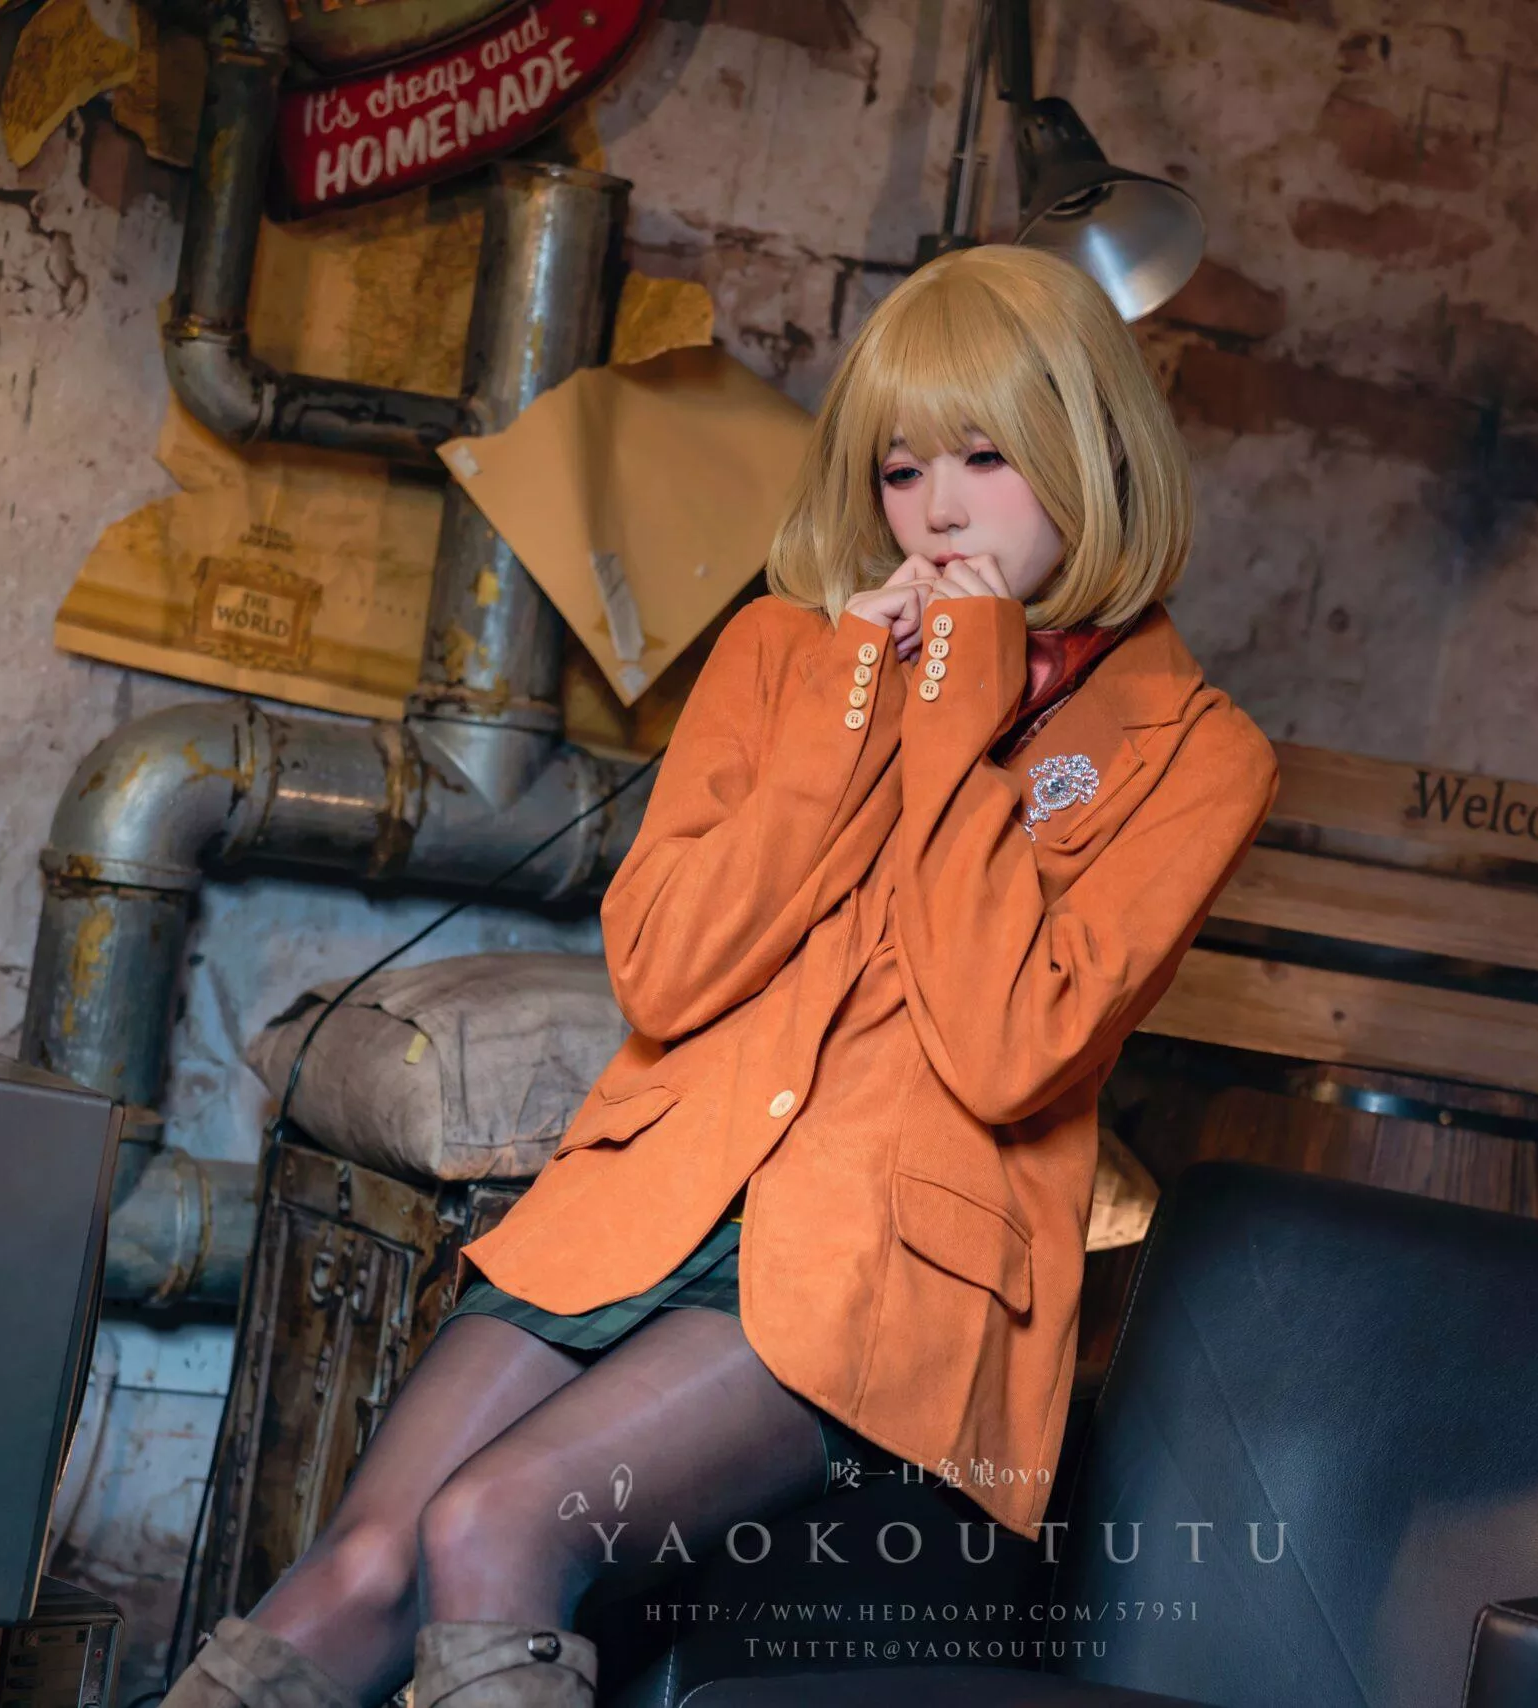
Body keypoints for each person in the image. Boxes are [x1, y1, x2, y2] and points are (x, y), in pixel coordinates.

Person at [161, 244, 1280, 1708]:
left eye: (986, 458)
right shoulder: (788, 654)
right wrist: (853, 705)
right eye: (901, 470)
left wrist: (959, 718)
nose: (938, 511)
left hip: (886, 1265)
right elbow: (667, 970)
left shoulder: (1196, 753)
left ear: (1092, 450)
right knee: (358, 1570)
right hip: (649, 1202)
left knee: (495, 1523)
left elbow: (1013, 1048)